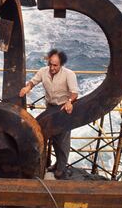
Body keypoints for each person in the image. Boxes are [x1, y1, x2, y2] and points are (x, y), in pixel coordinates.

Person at [19, 49, 78, 179]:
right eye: (50, 64)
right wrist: (27, 88)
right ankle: (56, 165)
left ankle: (61, 169)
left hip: (63, 109)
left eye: (55, 65)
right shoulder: (43, 71)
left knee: (62, 141)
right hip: (50, 108)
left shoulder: (69, 74)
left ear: (61, 64)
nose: (52, 67)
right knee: (53, 139)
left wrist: (69, 102)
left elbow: (74, 93)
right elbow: (33, 82)